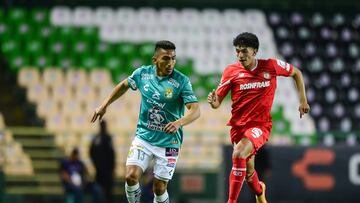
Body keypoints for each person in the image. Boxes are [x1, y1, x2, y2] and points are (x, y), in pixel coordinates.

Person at [91, 40, 200, 203]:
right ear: (154, 60)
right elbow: (123, 85)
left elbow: (195, 110)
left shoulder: (181, 81)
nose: (170, 63)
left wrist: (179, 122)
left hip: (169, 143)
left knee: (159, 188)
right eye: (165, 58)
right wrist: (104, 105)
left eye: (173, 58)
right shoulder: (143, 74)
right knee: (130, 176)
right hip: (144, 137)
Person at [207, 32, 310, 203]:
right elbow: (218, 101)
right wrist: (213, 101)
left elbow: (296, 73)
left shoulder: (270, 66)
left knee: (239, 153)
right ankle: (260, 191)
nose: (240, 55)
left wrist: (303, 101)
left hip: (259, 126)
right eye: (238, 51)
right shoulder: (231, 72)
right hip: (238, 127)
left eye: (244, 51)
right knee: (248, 173)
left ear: (254, 51)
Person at [90, 120, 115, 203]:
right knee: (101, 191)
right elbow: (91, 152)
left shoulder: (104, 138)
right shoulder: (101, 138)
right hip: (102, 170)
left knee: (105, 192)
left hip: (105, 170)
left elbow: (112, 154)